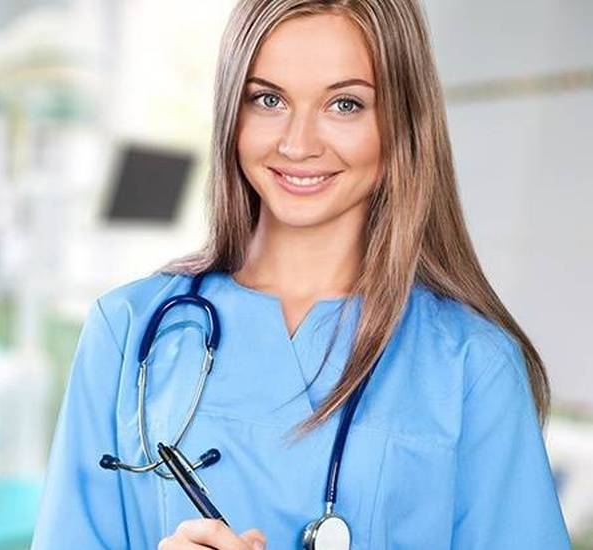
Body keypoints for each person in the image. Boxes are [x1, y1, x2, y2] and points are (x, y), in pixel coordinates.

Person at [31, 0, 571, 548]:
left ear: (402, 121)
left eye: (345, 104)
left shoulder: (471, 364)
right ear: (231, 114)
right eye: (268, 99)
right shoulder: (128, 330)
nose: (298, 144)